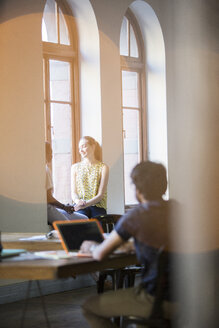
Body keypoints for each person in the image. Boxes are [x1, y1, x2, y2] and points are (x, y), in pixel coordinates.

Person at [80, 161, 175, 328]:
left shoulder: (136, 216)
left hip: (157, 299)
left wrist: (91, 247)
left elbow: (101, 254)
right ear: (164, 185)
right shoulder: (179, 210)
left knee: (90, 307)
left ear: (137, 190)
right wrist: (134, 246)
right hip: (194, 296)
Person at [45, 142, 87, 225]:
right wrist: (64, 207)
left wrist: (64, 206)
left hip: (52, 207)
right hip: (46, 209)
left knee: (84, 219)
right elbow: (48, 198)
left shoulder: (46, 168)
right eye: (50, 152)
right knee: (68, 226)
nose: (52, 155)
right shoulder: (44, 170)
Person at [71, 136, 109, 218]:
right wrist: (78, 202)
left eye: (84, 146)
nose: (81, 150)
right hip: (80, 206)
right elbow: (74, 193)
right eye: (79, 148)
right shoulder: (74, 167)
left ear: (93, 146)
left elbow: (100, 195)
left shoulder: (103, 167)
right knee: (80, 225)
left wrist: (85, 204)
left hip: (98, 207)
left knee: (96, 226)